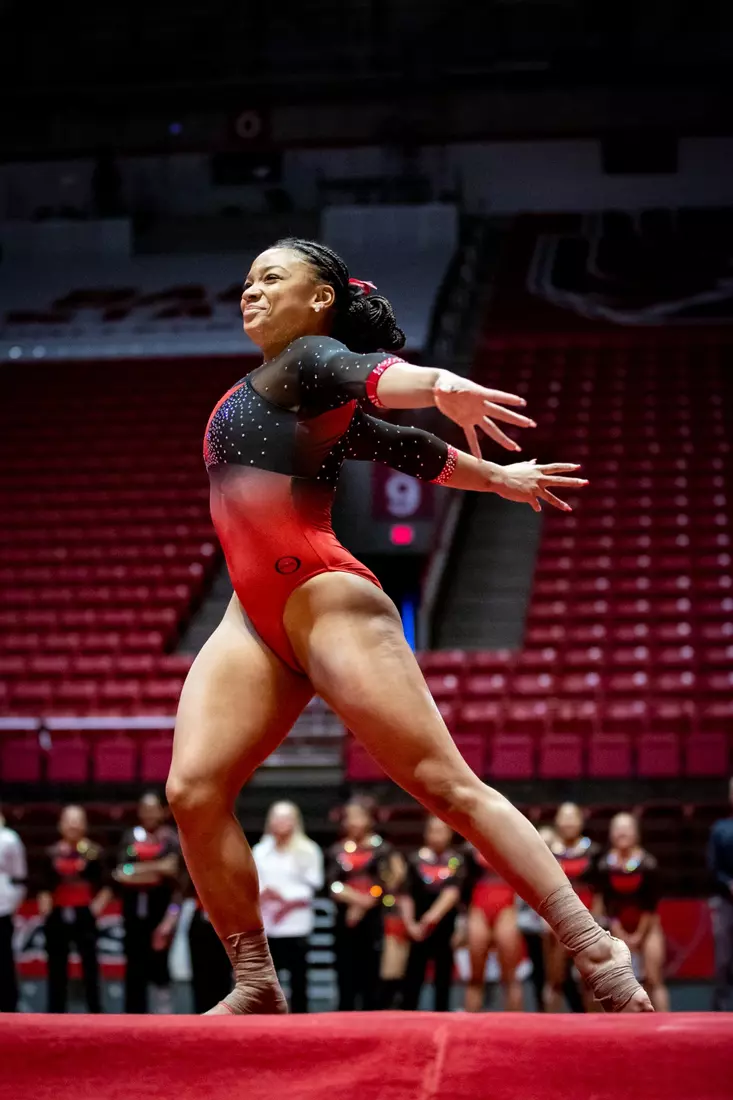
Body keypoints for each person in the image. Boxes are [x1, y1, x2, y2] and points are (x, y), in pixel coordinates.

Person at [164, 236, 651, 1015]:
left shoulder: (311, 360)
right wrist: (496, 477)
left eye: (271, 278)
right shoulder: (277, 390)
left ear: (319, 299)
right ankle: (255, 981)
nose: (250, 290)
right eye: (246, 278)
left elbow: (382, 382)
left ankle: (595, 946)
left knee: (444, 787)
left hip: (326, 599)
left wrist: (446, 384)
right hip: (250, 618)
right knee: (192, 790)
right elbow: (403, 446)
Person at [326, 797, 401, 1011]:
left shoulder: (382, 849)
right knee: (345, 971)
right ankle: (344, 1014)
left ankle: (372, 1017)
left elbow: (386, 882)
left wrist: (365, 903)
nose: (354, 822)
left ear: (370, 819)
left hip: (373, 917)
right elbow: (332, 885)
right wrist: (356, 900)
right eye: (349, 817)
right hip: (344, 918)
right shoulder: (336, 850)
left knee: (371, 972)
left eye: (359, 817)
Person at [252, 800, 324, 1013]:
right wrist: (266, 892)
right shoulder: (260, 850)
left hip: (296, 922)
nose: (281, 822)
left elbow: (315, 883)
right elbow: (254, 880)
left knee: (298, 977)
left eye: (286, 817)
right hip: (267, 922)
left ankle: (300, 1019)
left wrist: (286, 899)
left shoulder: (308, 849)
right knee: (268, 979)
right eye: (277, 817)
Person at [593, 813, 668, 1012]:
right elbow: (607, 904)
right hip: (616, 925)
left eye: (627, 828)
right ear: (611, 834)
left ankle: (666, 1026)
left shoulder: (648, 864)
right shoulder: (604, 865)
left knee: (653, 978)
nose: (622, 832)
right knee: (616, 982)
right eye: (617, 828)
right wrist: (620, 933)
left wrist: (639, 935)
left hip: (647, 925)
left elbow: (651, 906)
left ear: (636, 833)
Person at [113, 792, 180, 1014]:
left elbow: (172, 870)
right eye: (145, 809)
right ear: (139, 812)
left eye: (154, 809)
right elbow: (122, 871)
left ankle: (164, 1017)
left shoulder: (170, 838)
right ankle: (133, 1016)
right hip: (132, 912)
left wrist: (137, 871)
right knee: (134, 965)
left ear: (162, 811)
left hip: (163, 911)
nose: (150, 814)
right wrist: (155, 868)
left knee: (160, 962)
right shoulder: (130, 837)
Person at [38, 805, 109, 1013]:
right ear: (60, 825)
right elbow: (43, 886)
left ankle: (96, 1012)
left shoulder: (94, 853)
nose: (73, 825)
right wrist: (45, 908)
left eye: (78, 820)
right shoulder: (50, 853)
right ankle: (54, 1012)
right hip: (57, 913)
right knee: (56, 966)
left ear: (85, 825)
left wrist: (95, 908)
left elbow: (106, 885)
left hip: (84, 913)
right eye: (69, 820)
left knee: (90, 966)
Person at [400, 816, 464, 1011]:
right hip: (417, 928)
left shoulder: (456, 861)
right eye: (433, 831)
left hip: (444, 926)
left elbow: (452, 892)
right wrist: (410, 923)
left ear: (450, 833)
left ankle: (442, 1017)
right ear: (426, 833)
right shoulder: (414, 860)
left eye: (441, 831)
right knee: (413, 974)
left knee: (443, 975)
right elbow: (405, 894)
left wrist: (431, 918)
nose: (437, 835)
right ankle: (409, 1015)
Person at [543, 803, 598, 1012]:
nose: (568, 822)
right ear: (557, 821)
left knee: (590, 980)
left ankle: (596, 1033)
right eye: (563, 817)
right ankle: (549, 1033)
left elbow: (599, 891)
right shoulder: (547, 851)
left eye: (572, 817)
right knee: (555, 979)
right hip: (557, 917)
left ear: (581, 821)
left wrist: (597, 920)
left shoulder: (594, 851)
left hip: (587, 917)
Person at [463, 845, 523, 1011]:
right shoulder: (470, 843)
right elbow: (462, 881)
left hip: (505, 903)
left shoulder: (511, 838)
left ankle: (516, 1032)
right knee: (475, 977)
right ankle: (468, 1031)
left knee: (510, 977)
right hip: (479, 903)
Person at [708, 778, 733, 1011]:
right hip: (726, 901)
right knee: (724, 959)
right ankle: (721, 1010)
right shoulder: (720, 829)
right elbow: (713, 867)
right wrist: (729, 884)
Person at [0, 805, 27, 1012]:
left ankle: (9, 1008)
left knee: (4, 960)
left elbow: (19, 876)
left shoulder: (10, 839)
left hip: (3, 909)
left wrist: (11, 903)